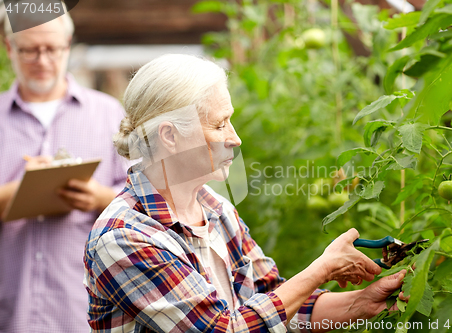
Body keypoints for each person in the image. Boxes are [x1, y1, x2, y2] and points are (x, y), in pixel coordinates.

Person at [84, 54, 408, 332]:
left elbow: (275, 304)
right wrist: (321, 269)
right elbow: (226, 328)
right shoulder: (125, 238)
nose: (235, 138)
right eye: (220, 124)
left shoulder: (216, 209)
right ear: (170, 135)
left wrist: (363, 301)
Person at [0, 12, 129, 333]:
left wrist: (101, 197)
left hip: (82, 306)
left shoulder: (109, 114)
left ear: (68, 45)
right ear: (8, 47)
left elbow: (142, 198)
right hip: (9, 308)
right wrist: (15, 193)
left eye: (52, 49)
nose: (42, 60)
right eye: (29, 50)